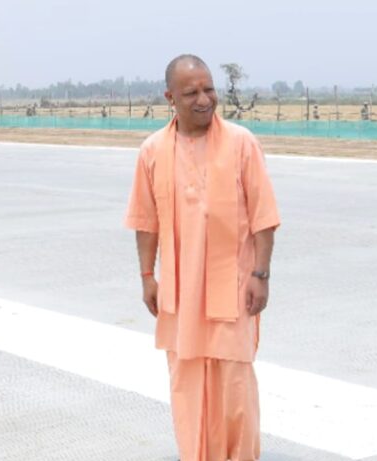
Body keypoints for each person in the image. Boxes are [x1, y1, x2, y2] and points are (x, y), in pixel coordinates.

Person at [124, 54, 280, 461]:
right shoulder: (152, 150)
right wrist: (147, 276)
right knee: (187, 383)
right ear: (170, 98)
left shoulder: (242, 143)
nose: (204, 99)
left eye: (209, 89)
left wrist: (261, 274)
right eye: (191, 92)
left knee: (235, 385)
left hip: (235, 287)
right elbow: (146, 221)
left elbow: (264, 217)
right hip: (180, 293)